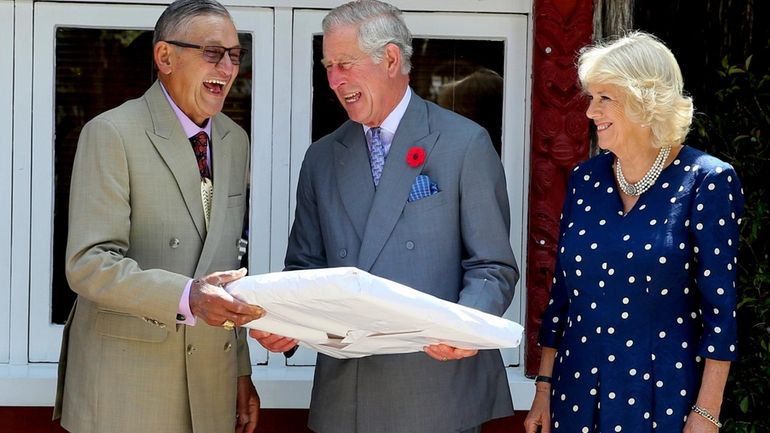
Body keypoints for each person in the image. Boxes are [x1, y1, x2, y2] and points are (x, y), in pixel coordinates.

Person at [250, 1, 519, 432]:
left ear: (391, 59)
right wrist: (283, 325)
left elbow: (492, 266)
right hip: (347, 400)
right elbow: (303, 272)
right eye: (328, 66)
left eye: (345, 64)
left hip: (438, 390)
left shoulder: (463, 144)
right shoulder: (321, 158)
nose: (335, 80)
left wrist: (464, 327)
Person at [53, 1, 264, 432]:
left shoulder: (234, 139)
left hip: (210, 381)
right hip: (128, 385)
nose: (227, 68)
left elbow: (224, 272)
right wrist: (188, 297)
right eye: (212, 52)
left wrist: (240, 370)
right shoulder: (111, 133)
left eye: (235, 55)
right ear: (165, 57)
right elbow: (89, 265)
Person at [524, 31, 744, 433]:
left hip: (662, 398)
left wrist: (707, 413)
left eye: (605, 98)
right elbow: (561, 297)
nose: (591, 112)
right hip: (575, 394)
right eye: (591, 97)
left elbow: (720, 311)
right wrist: (543, 388)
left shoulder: (707, 181)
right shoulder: (585, 180)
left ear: (648, 101)